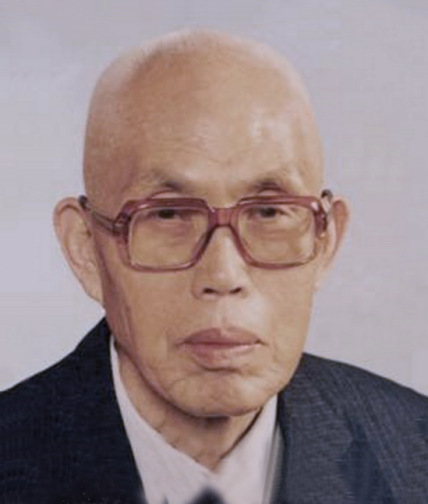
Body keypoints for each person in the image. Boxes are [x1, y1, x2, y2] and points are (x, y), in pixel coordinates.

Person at [0, 29, 427, 504]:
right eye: (168, 214)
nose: (223, 275)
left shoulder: (415, 456)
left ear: (326, 241)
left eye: (269, 212)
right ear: (84, 249)